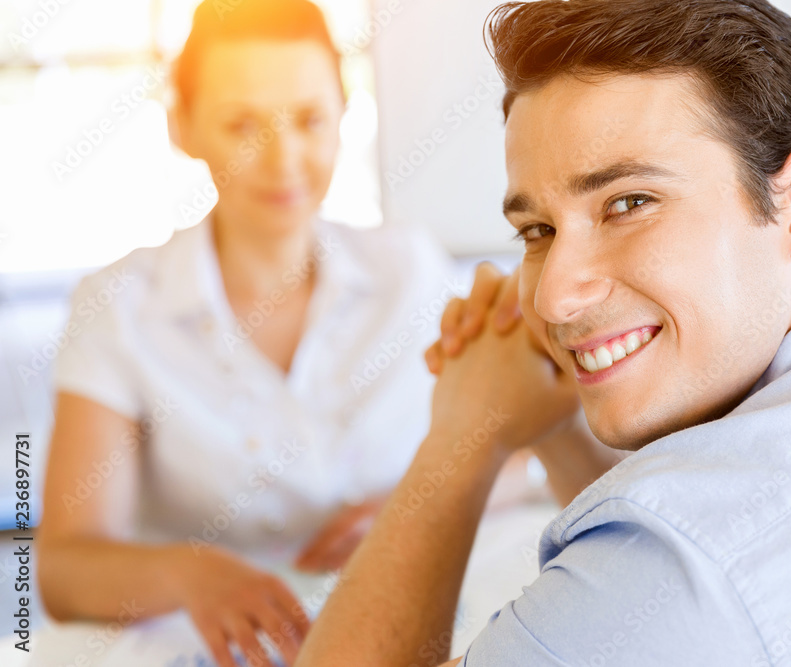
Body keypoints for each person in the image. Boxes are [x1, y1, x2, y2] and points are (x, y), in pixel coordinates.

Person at [293, 1, 791, 665]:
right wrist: (554, 426)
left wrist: (462, 438)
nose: (553, 295)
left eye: (629, 203)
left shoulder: (678, 567)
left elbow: (672, 568)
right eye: (537, 230)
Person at [35, 2, 469, 666]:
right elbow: (65, 569)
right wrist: (190, 571)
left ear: (345, 111)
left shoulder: (410, 270)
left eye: (309, 119)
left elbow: (515, 450)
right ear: (183, 126)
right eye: (244, 124)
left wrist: (418, 508)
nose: (285, 159)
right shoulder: (119, 305)